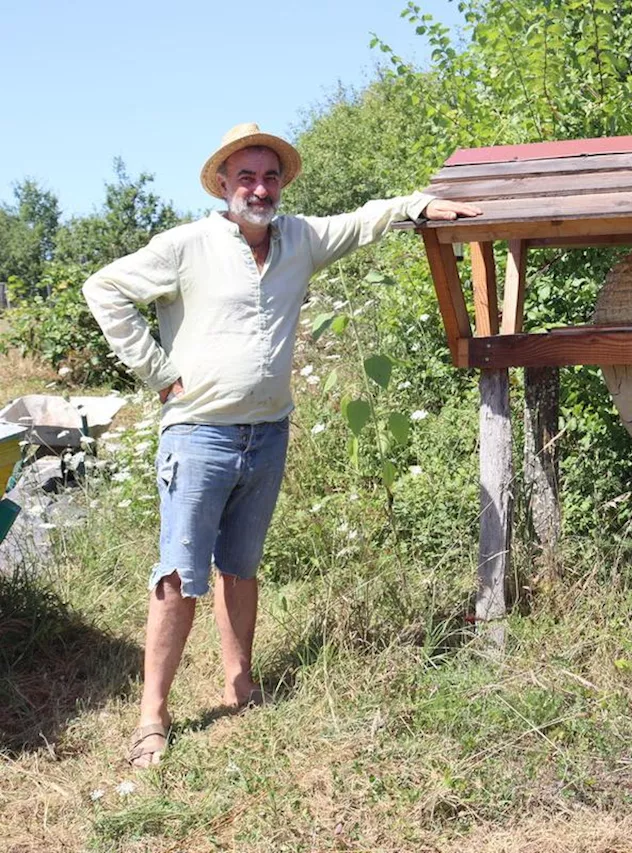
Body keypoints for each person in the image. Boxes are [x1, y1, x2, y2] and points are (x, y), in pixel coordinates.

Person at [83, 123, 480, 768]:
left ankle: (241, 685)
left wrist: (418, 207)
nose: (259, 188)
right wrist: (158, 373)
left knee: (239, 566)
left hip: (268, 432)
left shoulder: (299, 239)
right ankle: (153, 715)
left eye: (270, 177)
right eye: (246, 177)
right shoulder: (187, 245)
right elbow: (104, 289)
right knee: (179, 575)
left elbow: (364, 220)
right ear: (222, 184)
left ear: (282, 184)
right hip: (198, 433)